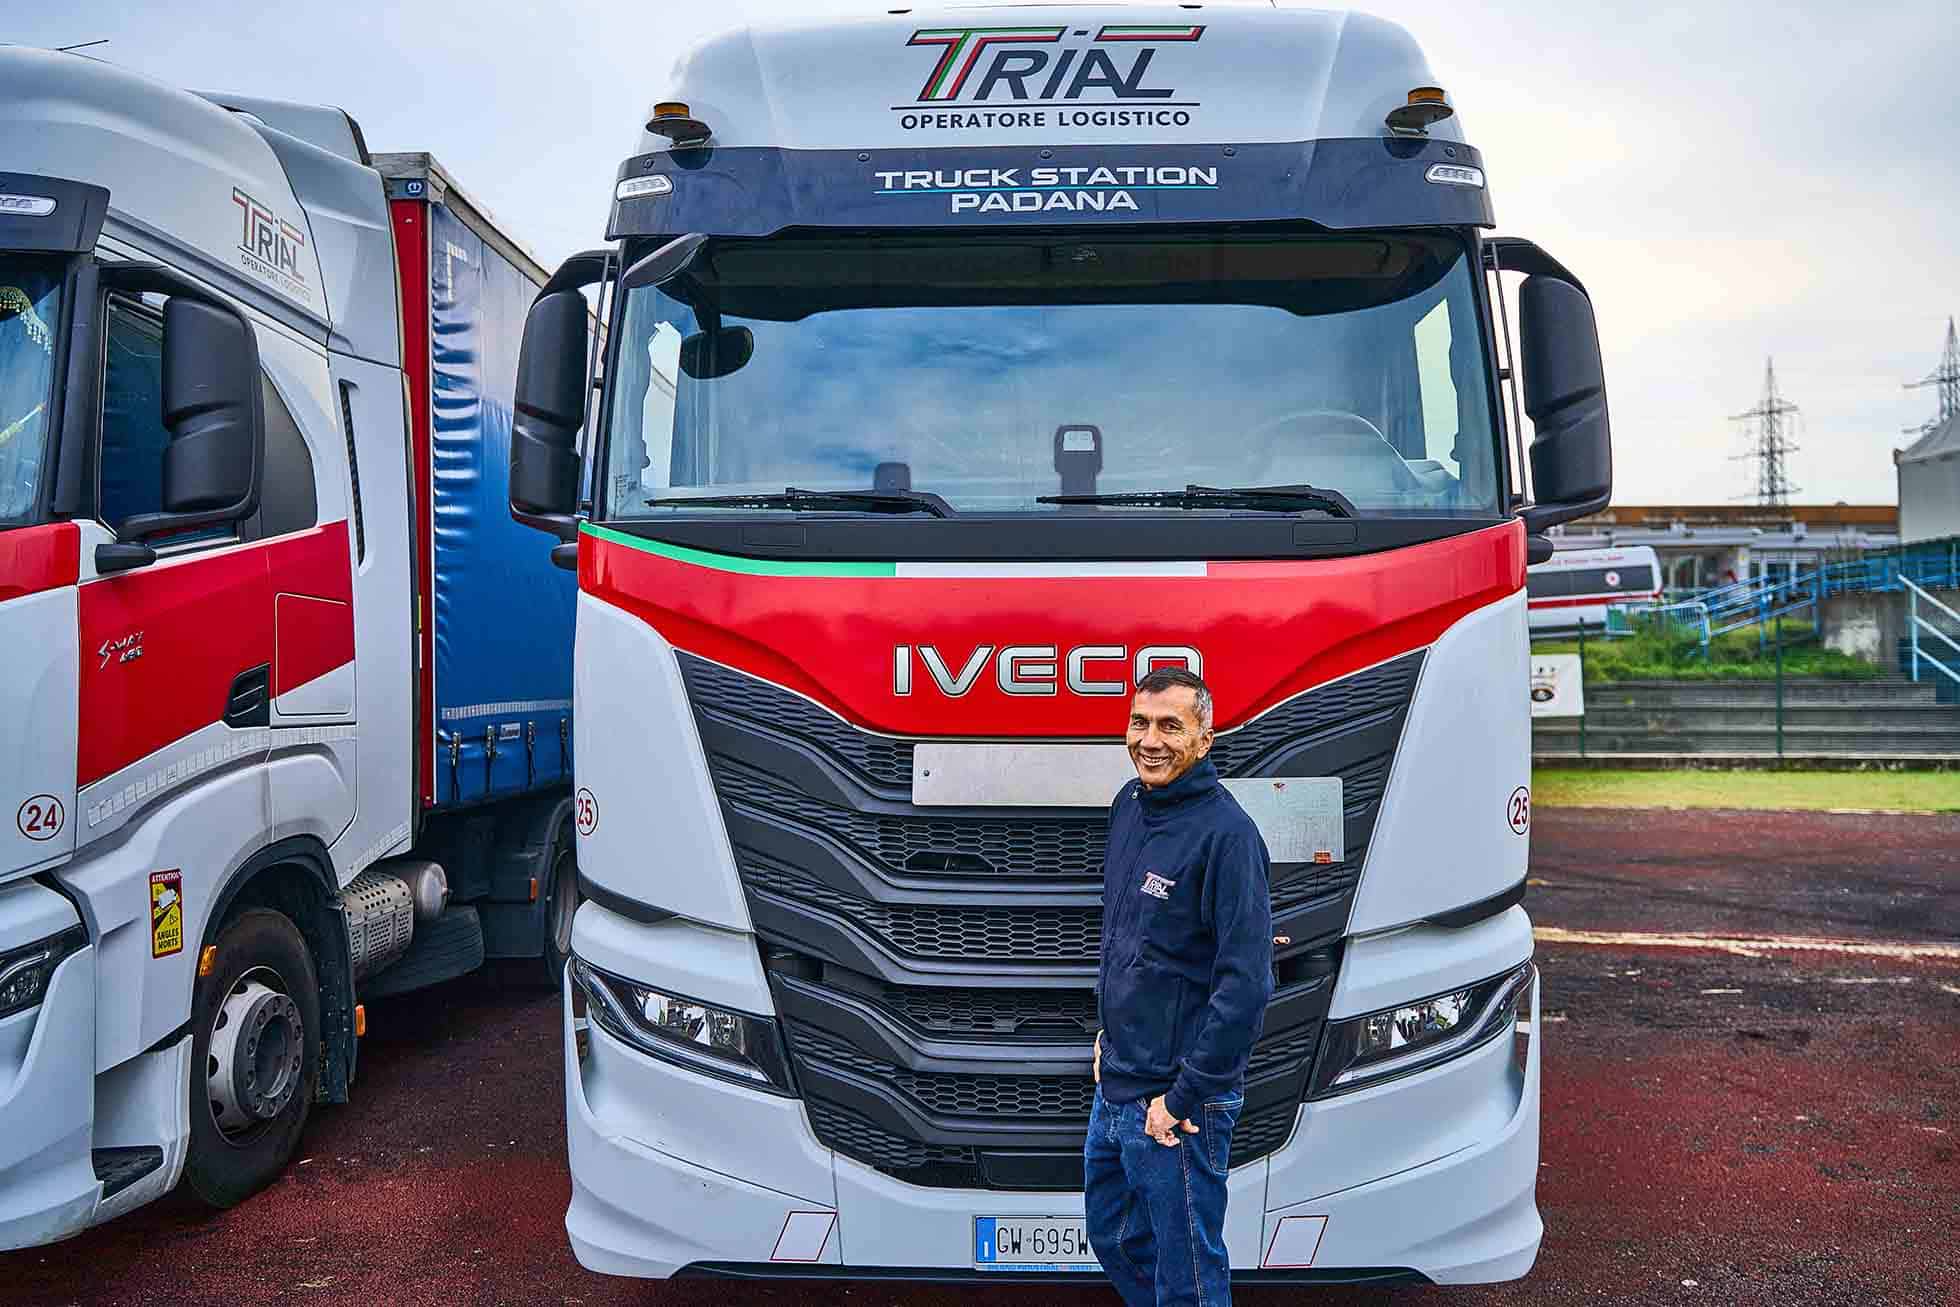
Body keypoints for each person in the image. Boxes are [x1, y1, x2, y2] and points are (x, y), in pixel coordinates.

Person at [1085, 667, 1274, 1306]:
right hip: (1118, 1083)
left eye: (1171, 725)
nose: (1150, 740)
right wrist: (1108, 1035)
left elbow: (1246, 987)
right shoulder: (1129, 806)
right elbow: (1127, 937)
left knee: (1189, 1277)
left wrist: (1185, 1096)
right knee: (1112, 1235)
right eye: (1140, 722)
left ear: (1204, 739)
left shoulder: (1229, 837)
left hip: (1176, 1105)